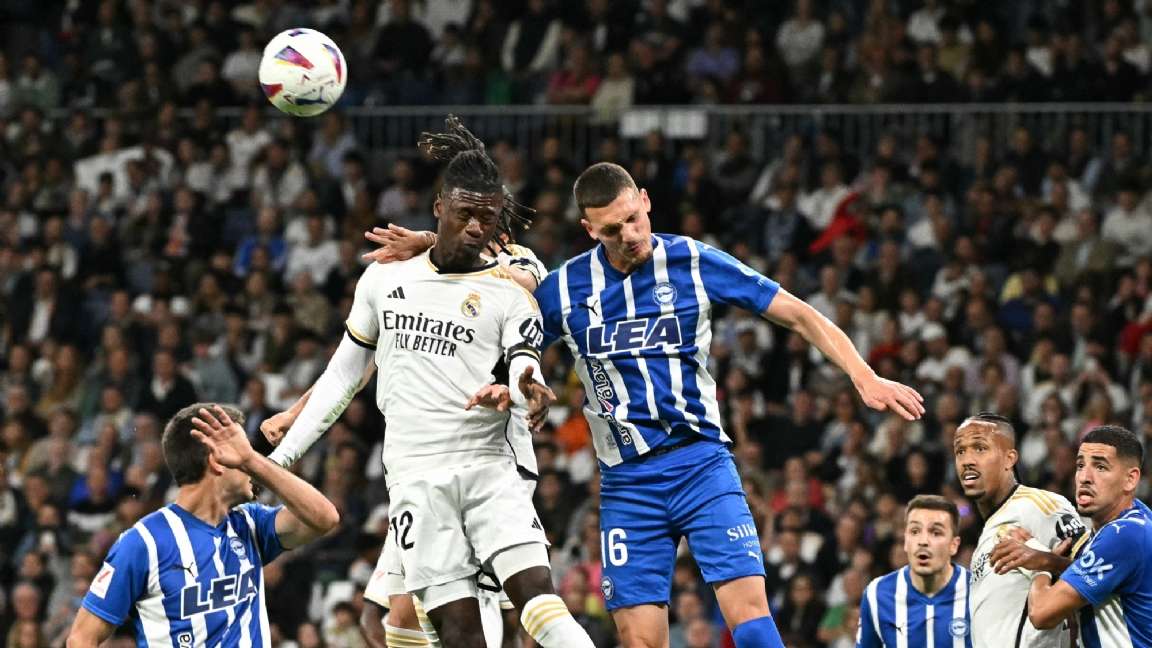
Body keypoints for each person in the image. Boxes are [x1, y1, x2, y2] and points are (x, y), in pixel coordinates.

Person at [369, 161, 925, 647]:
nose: (630, 235)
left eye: (634, 219)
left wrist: (864, 376)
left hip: (702, 464)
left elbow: (798, 312)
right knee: (638, 640)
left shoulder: (693, 261)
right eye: (612, 230)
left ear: (645, 201)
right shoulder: (567, 287)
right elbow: (496, 289)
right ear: (590, 230)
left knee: (751, 623)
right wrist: (431, 248)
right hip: (627, 483)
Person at [266, 117, 595, 648]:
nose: (476, 227)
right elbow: (349, 370)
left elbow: (524, 351)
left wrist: (524, 386)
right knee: (410, 622)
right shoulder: (385, 277)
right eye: (465, 214)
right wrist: (282, 451)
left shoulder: (513, 279)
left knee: (530, 600)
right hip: (414, 475)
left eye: (488, 217)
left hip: (492, 462)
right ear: (440, 206)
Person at [65, 404, 340, 647]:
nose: (251, 460)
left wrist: (253, 461)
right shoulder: (143, 542)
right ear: (217, 460)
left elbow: (325, 518)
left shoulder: (251, 524)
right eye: (243, 449)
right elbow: (81, 638)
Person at [953, 412, 1085, 648]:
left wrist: (1047, 561)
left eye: (980, 448)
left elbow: (1099, 574)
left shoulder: (1038, 506)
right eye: (960, 451)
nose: (967, 460)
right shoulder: (989, 530)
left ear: (1009, 458)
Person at [1027, 425, 1152, 647]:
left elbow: (1041, 613)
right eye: (1080, 465)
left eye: (1100, 467)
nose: (1084, 477)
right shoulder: (1139, 518)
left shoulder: (1124, 534)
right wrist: (1054, 562)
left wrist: (1040, 566)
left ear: (1131, 479)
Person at [857, 495, 972, 647]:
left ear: (954, 545)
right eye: (915, 531)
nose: (923, 541)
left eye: (936, 532)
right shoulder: (877, 594)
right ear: (905, 541)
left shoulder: (978, 591)